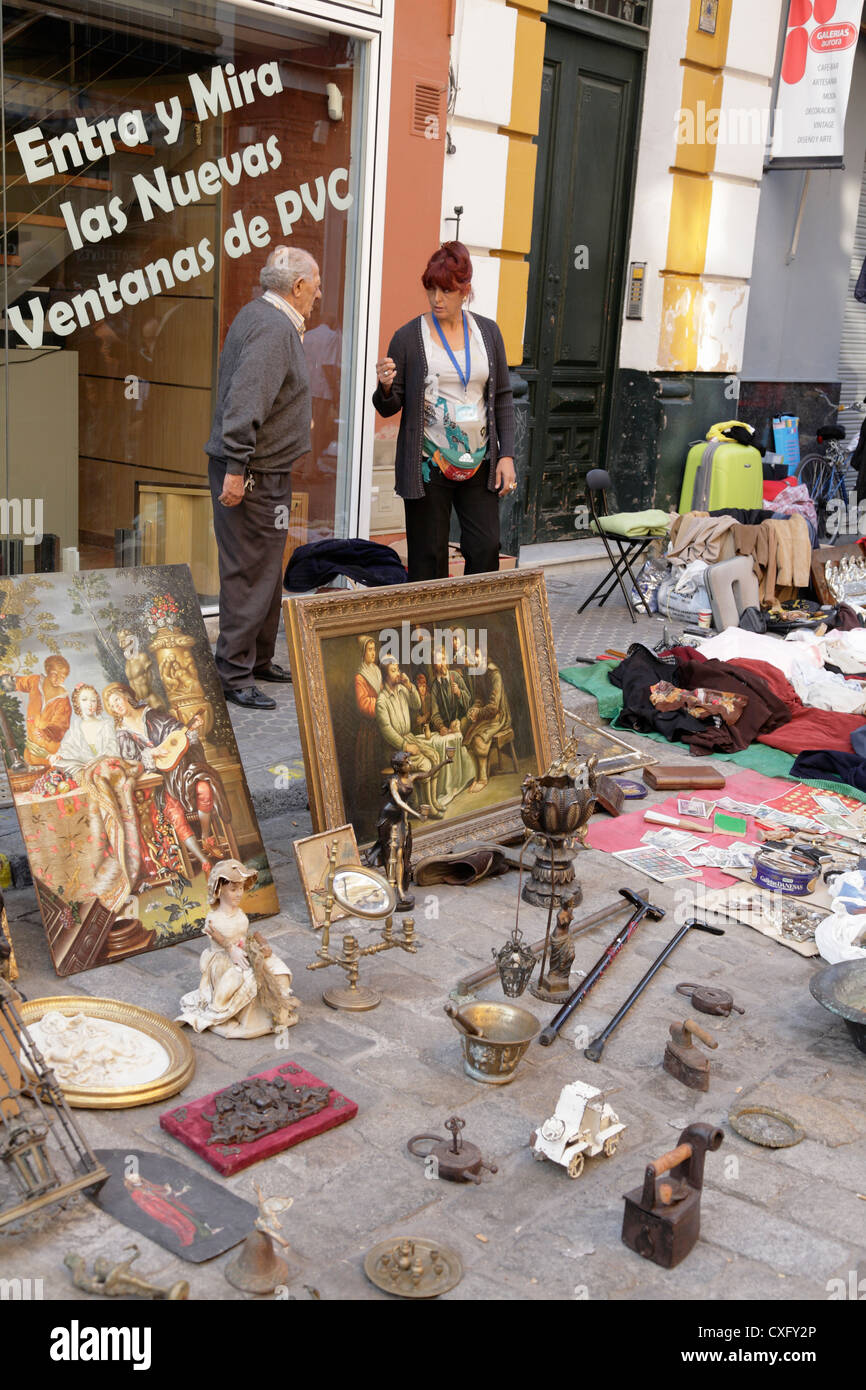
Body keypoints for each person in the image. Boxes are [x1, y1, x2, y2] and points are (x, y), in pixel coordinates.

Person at [205, 245, 322, 710]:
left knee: (266, 571)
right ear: (297, 287)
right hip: (251, 474)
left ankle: (257, 660)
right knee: (249, 573)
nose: (318, 294)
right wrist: (236, 468)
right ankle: (233, 673)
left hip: (262, 471)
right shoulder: (274, 329)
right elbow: (246, 401)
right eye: (315, 285)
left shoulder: (262, 316)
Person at [373, 241, 516, 581]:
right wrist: (387, 387)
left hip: (479, 461)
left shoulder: (488, 333)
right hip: (428, 464)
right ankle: (426, 630)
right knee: (428, 553)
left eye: (447, 291)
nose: (437, 299)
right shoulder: (408, 337)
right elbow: (389, 407)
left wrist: (506, 454)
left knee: (485, 546)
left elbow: (503, 397)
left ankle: (475, 625)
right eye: (432, 289)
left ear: (465, 290)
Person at [102, 682, 228, 877]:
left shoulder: (151, 714)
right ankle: (204, 861)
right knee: (174, 813)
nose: (116, 705)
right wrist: (151, 754)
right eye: (112, 705)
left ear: (126, 696)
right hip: (160, 782)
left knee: (204, 789)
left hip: (183, 770)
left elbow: (178, 732)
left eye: (117, 699)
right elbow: (131, 764)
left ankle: (206, 837)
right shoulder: (124, 734)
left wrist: (191, 731)